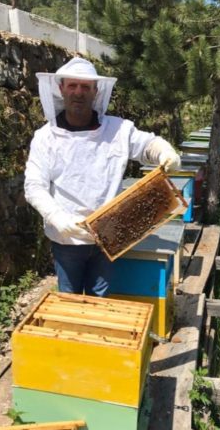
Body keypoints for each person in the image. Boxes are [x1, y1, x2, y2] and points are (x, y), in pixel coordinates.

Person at [24, 57, 180, 297]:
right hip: (67, 239)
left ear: (96, 91)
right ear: (61, 89)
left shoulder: (118, 129)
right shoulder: (45, 138)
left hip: (108, 235)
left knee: (100, 296)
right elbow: (34, 186)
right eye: (72, 85)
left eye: (86, 86)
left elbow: (147, 145)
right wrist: (57, 217)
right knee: (69, 298)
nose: (79, 92)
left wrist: (164, 152)